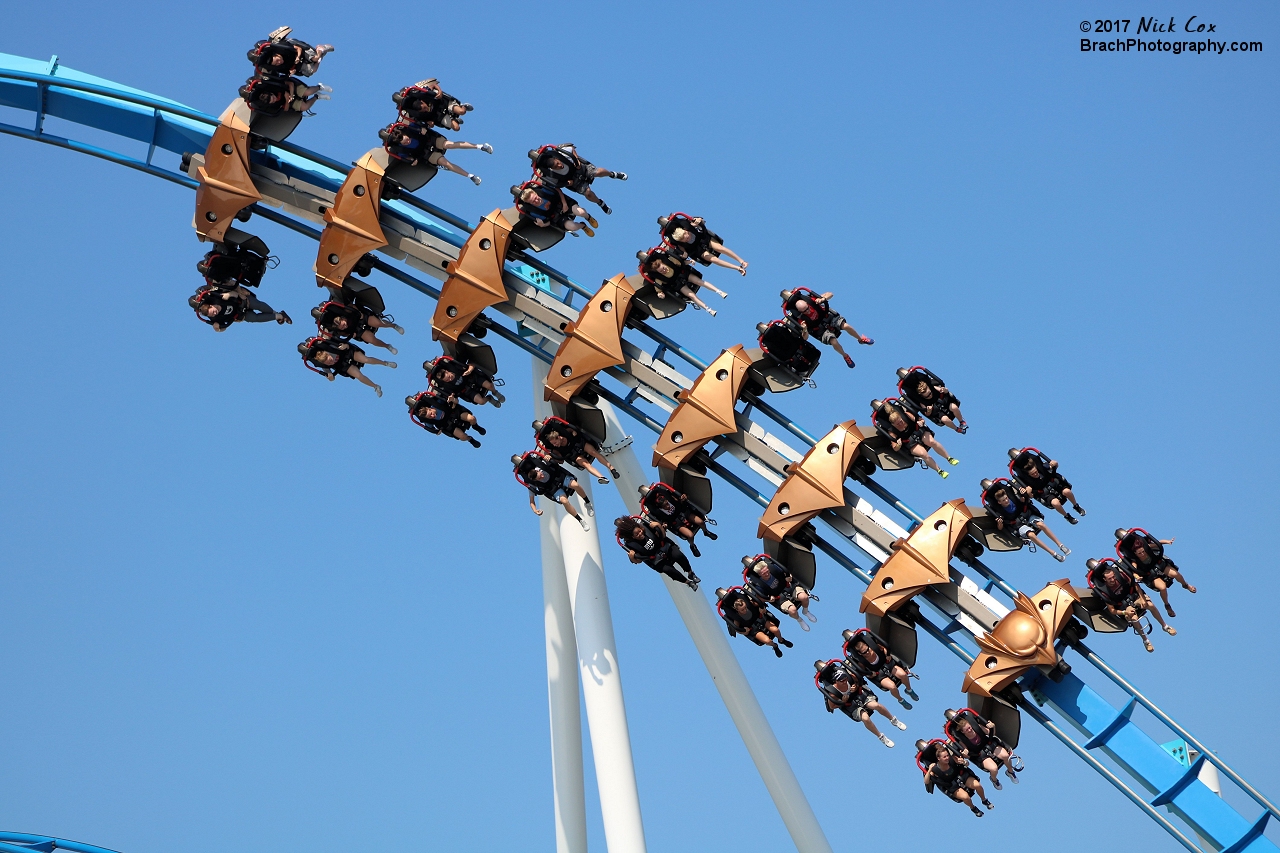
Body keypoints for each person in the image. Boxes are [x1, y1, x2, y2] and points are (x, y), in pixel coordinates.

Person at [1087, 558, 1175, 653]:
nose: (1113, 579)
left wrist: (1142, 598)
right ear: (1104, 579)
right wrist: (1125, 612)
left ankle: (1165, 626)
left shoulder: (1121, 576)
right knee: (1134, 618)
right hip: (1124, 606)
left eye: (1113, 577)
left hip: (1134, 596)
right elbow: (1112, 610)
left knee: (1150, 605)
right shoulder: (1104, 591)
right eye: (1110, 579)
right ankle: (1146, 640)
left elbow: (1136, 585)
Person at [814, 659, 905, 747]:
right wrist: (842, 701)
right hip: (849, 705)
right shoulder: (833, 692)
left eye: (845, 678)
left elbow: (858, 678)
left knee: (876, 705)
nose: (845, 681)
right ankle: (881, 736)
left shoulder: (849, 677)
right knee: (865, 718)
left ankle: (893, 719)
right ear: (836, 682)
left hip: (859, 694)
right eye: (842, 681)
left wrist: (856, 685)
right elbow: (832, 706)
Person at [979, 478, 1069, 562]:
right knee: (1031, 535)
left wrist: (1023, 495)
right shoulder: (996, 510)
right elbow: (1000, 528)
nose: (1006, 501)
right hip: (1017, 524)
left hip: (1026, 514)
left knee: (1041, 525)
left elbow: (1025, 496)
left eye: (1006, 498)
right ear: (999, 502)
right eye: (1003, 500)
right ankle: (1053, 553)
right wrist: (1000, 523)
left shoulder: (1011, 492)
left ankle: (1060, 545)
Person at [781, 288, 873, 369]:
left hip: (828, 318)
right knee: (834, 341)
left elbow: (830, 293)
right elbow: (805, 338)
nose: (808, 311)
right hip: (820, 330)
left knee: (846, 326)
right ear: (800, 311)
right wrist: (804, 329)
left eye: (807, 308)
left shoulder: (811, 300)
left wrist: (822, 299)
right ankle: (845, 356)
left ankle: (861, 339)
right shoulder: (800, 319)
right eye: (805, 311)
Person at [1116, 528, 1196, 618]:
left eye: (1143, 551)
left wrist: (1168, 542)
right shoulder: (1133, 560)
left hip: (1157, 564)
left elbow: (1158, 543)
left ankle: (1185, 585)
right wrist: (1137, 576)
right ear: (1135, 554)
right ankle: (1167, 605)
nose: (1142, 554)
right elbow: (1134, 570)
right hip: (1150, 573)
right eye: (1139, 553)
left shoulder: (1147, 546)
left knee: (1176, 574)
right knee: (1163, 587)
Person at [382, 121, 490, 185]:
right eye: (402, 142)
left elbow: (423, 124)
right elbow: (408, 160)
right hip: (425, 153)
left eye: (404, 138)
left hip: (430, 140)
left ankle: (479, 146)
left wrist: (423, 128)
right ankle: (470, 176)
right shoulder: (401, 151)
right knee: (444, 162)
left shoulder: (411, 128)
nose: (405, 141)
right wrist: (412, 161)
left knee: (450, 145)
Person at [871, 398, 958, 478]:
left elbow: (920, 419)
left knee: (932, 442)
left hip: (917, 431)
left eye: (901, 421)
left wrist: (921, 422)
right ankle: (940, 471)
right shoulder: (891, 431)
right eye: (897, 424)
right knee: (923, 454)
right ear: (893, 425)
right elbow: (895, 447)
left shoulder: (907, 415)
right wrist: (898, 445)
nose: (900, 424)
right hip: (909, 441)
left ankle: (949, 458)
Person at [531, 144, 626, 214]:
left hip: (580, 169)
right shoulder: (550, 174)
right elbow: (557, 186)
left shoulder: (561, 154)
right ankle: (600, 203)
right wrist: (567, 183)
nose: (560, 165)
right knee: (588, 194)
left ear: (556, 158)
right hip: (574, 181)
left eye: (558, 163)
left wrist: (577, 162)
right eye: (556, 166)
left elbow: (571, 148)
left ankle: (612, 174)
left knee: (597, 172)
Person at [945, 708, 1022, 790]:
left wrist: (993, 727)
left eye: (970, 727)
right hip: (979, 754)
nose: (970, 730)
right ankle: (994, 780)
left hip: (988, 744)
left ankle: (1010, 772)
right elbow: (966, 754)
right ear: (963, 732)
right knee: (994, 768)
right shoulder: (962, 740)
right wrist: (965, 753)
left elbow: (991, 732)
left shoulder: (976, 727)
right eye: (967, 730)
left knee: (1006, 756)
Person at [637, 246, 726, 316]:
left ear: (663, 264)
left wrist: (690, 261)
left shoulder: (670, 261)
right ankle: (708, 309)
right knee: (691, 295)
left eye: (663, 268)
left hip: (682, 274)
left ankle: (719, 291)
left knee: (699, 282)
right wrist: (660, 293)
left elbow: (681, 262)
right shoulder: (658, 277)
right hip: (677, 283)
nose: (664, 271)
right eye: (661, 271)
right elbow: (658, 288)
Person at [615, 516, 700, 588]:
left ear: (640, 528)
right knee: (669, 570)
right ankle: (688, 582)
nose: (640, 535)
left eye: (640, 532)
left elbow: (663, 535)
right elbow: (638, 560)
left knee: (678, 555)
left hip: (664, 546)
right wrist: (632, 557)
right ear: (632, 537)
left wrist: (659, 526)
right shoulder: (630, 545)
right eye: (637, 535)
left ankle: (690, 572)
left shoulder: (646, 527)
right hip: (655, 559)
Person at [843, 628, 918, 710]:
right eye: (864, 652)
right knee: (892, 687)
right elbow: (862, 671)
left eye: (867, 649)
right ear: (860, 653)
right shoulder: (860, 661)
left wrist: (887, 655)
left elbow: (884, 648)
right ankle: (901, 700)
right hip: (878, 673)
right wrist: (870, 674)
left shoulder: (873, 646)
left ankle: (909, 690)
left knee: (903, 674)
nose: (868, 652)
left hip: (886, 663)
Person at [514, 451, 592, 529]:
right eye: (539, 479)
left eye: (541, 475)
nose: (542, 477)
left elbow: (547, 455)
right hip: (553, 488)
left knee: (575, 485)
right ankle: (580, 520)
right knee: (564, 501)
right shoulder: (532, 483)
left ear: (538, 471)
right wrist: (535, 510)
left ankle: (587, 503)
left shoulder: (540, 464)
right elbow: (531, 501)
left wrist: (548, 456)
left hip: (558, 477)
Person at [918, 739, 993, 818]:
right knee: (966, 797)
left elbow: (963, 762)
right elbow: (926, 782)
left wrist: (964, 762)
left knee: (978, 785)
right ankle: (973, 808)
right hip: (951, 784)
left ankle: (984, 800)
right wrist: (929, 770)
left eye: (947, 756)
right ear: (939, 758)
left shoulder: (952, 758)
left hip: (960, 775)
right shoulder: (933, 769)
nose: (947, 758)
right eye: (944, 757)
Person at [1008, 447, 1086, 524]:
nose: (1035, 474)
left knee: (1067, 491)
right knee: (1055, 503)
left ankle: (1076, 506)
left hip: (1052, 483)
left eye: (1036, 472)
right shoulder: (1024, 479)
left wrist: (1054, 464)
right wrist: (1028, 492)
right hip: (1043, 492)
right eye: (1033, 474)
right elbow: (1031, 496)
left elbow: (1053, 467)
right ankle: (1067, 516)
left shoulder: (1040, 465)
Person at [298, 337, 395, 396]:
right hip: (343, 365)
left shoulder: (330, 348)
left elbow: (345, 346)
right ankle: (375, 386)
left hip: (346, 354)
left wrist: (345, 346)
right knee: (358, 376)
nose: (330, 362)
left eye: (330, 360)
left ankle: (385, 363)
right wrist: (330, 376)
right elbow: (330, 377)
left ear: (328, 355)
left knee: (366, 359)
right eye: (328, 363)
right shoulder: (324, 365)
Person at [640, 482, 716, 557]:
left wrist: (683, 498)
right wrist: (664, 524)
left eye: (667, 503)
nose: (667, 505)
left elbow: (678, 498)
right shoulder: (656, 511)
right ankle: (692, 546)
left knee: (701, 522)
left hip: (683, 512)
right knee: (690, 535)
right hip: (676, 522)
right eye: (665, 505)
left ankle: (706, 532)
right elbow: (660, 520)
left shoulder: (667, 496)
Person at [742, 553, 814, 631]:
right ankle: (799, 620)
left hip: (787, 586)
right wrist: (768, 599)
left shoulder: (772, 567)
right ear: (759, 574)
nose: (767, 574)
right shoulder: (757, 583)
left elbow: (785, 572)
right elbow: (760, 597)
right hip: (777, 597)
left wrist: (788, 577)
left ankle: (806, 611)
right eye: (764, 574)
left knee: (804, 597)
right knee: (793, 610)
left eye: (767, 571)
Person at [536, 418, 619, 484]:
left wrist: (574, 431)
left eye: (555, 442)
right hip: (573, 454)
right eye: (553, 444)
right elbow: (560, 460)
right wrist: (550, 457)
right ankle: (601, 477)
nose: (555, 445)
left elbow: (572, 429)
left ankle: (611, 468)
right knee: (585, 464)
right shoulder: (555, 448)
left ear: (558, 437)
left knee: (593, 452)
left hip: (578, 444)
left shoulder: (565, 432)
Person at [659, 213, 748, 274]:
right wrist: (684, 254)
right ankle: (737, 268)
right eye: (684, 239)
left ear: (686, 231)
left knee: (719, 248)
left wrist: (698, 220)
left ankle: (741, 261)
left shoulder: (686, 224)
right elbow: (682, 251)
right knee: (714, 259)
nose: (687, 238)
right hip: (696, 250)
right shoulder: (676, 241)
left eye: (687, 235)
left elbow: (699, 220)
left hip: (703, 238)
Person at [718, 587, 790, 656]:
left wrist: (762, 607)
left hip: (760, 619)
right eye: (742, 610)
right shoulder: (736, 617)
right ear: (737, 610)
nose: (745, 610)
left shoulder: (748, 602)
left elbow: (758, 602)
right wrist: (744, 631)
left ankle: (781, 640)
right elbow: (737, 629)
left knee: (775, 630)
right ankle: (775, 646)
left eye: (745, 608)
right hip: (752, 628)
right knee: (767, 641)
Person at [190, 284, 291, 331]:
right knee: (254, 318)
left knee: (258, 305)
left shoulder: (216, 298)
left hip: (242, 300)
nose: (215, 313)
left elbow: (232, 292)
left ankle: (275, 312)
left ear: (211, 306)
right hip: (240, 314)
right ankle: (279, 316)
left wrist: (229, 294)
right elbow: (222, 327)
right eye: (213, 315)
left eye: (213, 311)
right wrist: (218, 328)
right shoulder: (215, 318)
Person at [313, 300, 402, 352]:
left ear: (342, 319)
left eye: (343, 324)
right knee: (372, 340)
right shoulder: (334, 328)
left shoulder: (342, 312)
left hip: (359, 317)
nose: (344, 326)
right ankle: (387, 346)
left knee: (378, 323)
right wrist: (350, 335)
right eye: (343, 327)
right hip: (356, 329)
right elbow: (343, 334)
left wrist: (358, 312)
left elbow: (351, 306)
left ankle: (393, 326)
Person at [511, 180, 596, 235]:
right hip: (556, 216)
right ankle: (583, 226)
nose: (536, 201)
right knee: (572, 227)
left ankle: (588, 217)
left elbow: (558, 191)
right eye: (533, 202)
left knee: (581, 212)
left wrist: (564, 204)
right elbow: (548, 222)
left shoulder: (543, 191)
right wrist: (543, 225)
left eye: (535, 198)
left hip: (563, 203)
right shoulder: (533, 211)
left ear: (535, 194)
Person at [898, 367, 967, 433]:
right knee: (945, 419)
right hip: (936, 411)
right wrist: (929, 411)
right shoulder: (920, 399)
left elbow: (941, 389)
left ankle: (961, 421)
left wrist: (944, 390)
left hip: (943, 402)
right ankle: (956, 429)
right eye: (927, 396)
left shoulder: (931, 386)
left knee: (954, 407)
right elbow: (925, 412)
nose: (930, 395)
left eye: (930, 393)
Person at [407, 391, 484, 447]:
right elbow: (431, 428)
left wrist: (451, 399)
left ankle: (476, 426)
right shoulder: (428, 421)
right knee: (462, 436)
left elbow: (445, 398)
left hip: (453, 413)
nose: (433, 416)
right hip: (447, 425)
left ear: (429, 409)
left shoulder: (436, 404)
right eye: (430, 417)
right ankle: (470, 439)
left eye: (431, 414)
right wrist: (436, 431)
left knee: (472, 418)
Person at [248, 29, 333, 78]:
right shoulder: (277, 67)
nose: (279, 63)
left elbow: (298, 48)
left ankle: (320, 49)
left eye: (277, 60)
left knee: (315, 58)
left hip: (300, 52)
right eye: (277, 64)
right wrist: (292, 71)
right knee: (312, 71)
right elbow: (287, 71)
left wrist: (298, 57)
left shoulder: (282, 49)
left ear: (276, 55)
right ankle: (321, 57)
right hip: (295, 63)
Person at [426, 355, 504, 408]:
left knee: (489, 386)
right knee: (481, 401)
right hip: (467, 391)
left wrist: (469, 370)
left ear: (447, 371)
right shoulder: (446, 387)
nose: (450, 379)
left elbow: (471, 364)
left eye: (449, 377)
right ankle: (489, 398)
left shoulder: (454, 367)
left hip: (472, 378)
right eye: (448, 380)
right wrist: (452, 400)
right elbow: (456, 401)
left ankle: (494, 392)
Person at [393, 79, 472, 131]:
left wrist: (439, 91)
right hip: (439, 116)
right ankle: (454, 119)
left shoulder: (423, 95)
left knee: (461, 111)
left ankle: (463, 106)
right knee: (456, 128)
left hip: (444, 104)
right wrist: (429, 124)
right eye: (423, 110)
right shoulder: (417, 114)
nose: (425, 109)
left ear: (422, 102)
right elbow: (425, 123)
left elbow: (433, 85)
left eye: (425, 107)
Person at [239, 75, 330, 116]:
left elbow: (290, 84)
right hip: (287, 100)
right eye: (273, 101)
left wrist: (290, 94)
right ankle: (317, 97)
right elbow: (285, 109)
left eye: (273, 98)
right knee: (304, 107)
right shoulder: (270, 105)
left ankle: (319, 87)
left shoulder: (273, 87)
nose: (274, 100)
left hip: (290, 88)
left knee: (307, 92)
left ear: (271, 93)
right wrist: (287, 100)